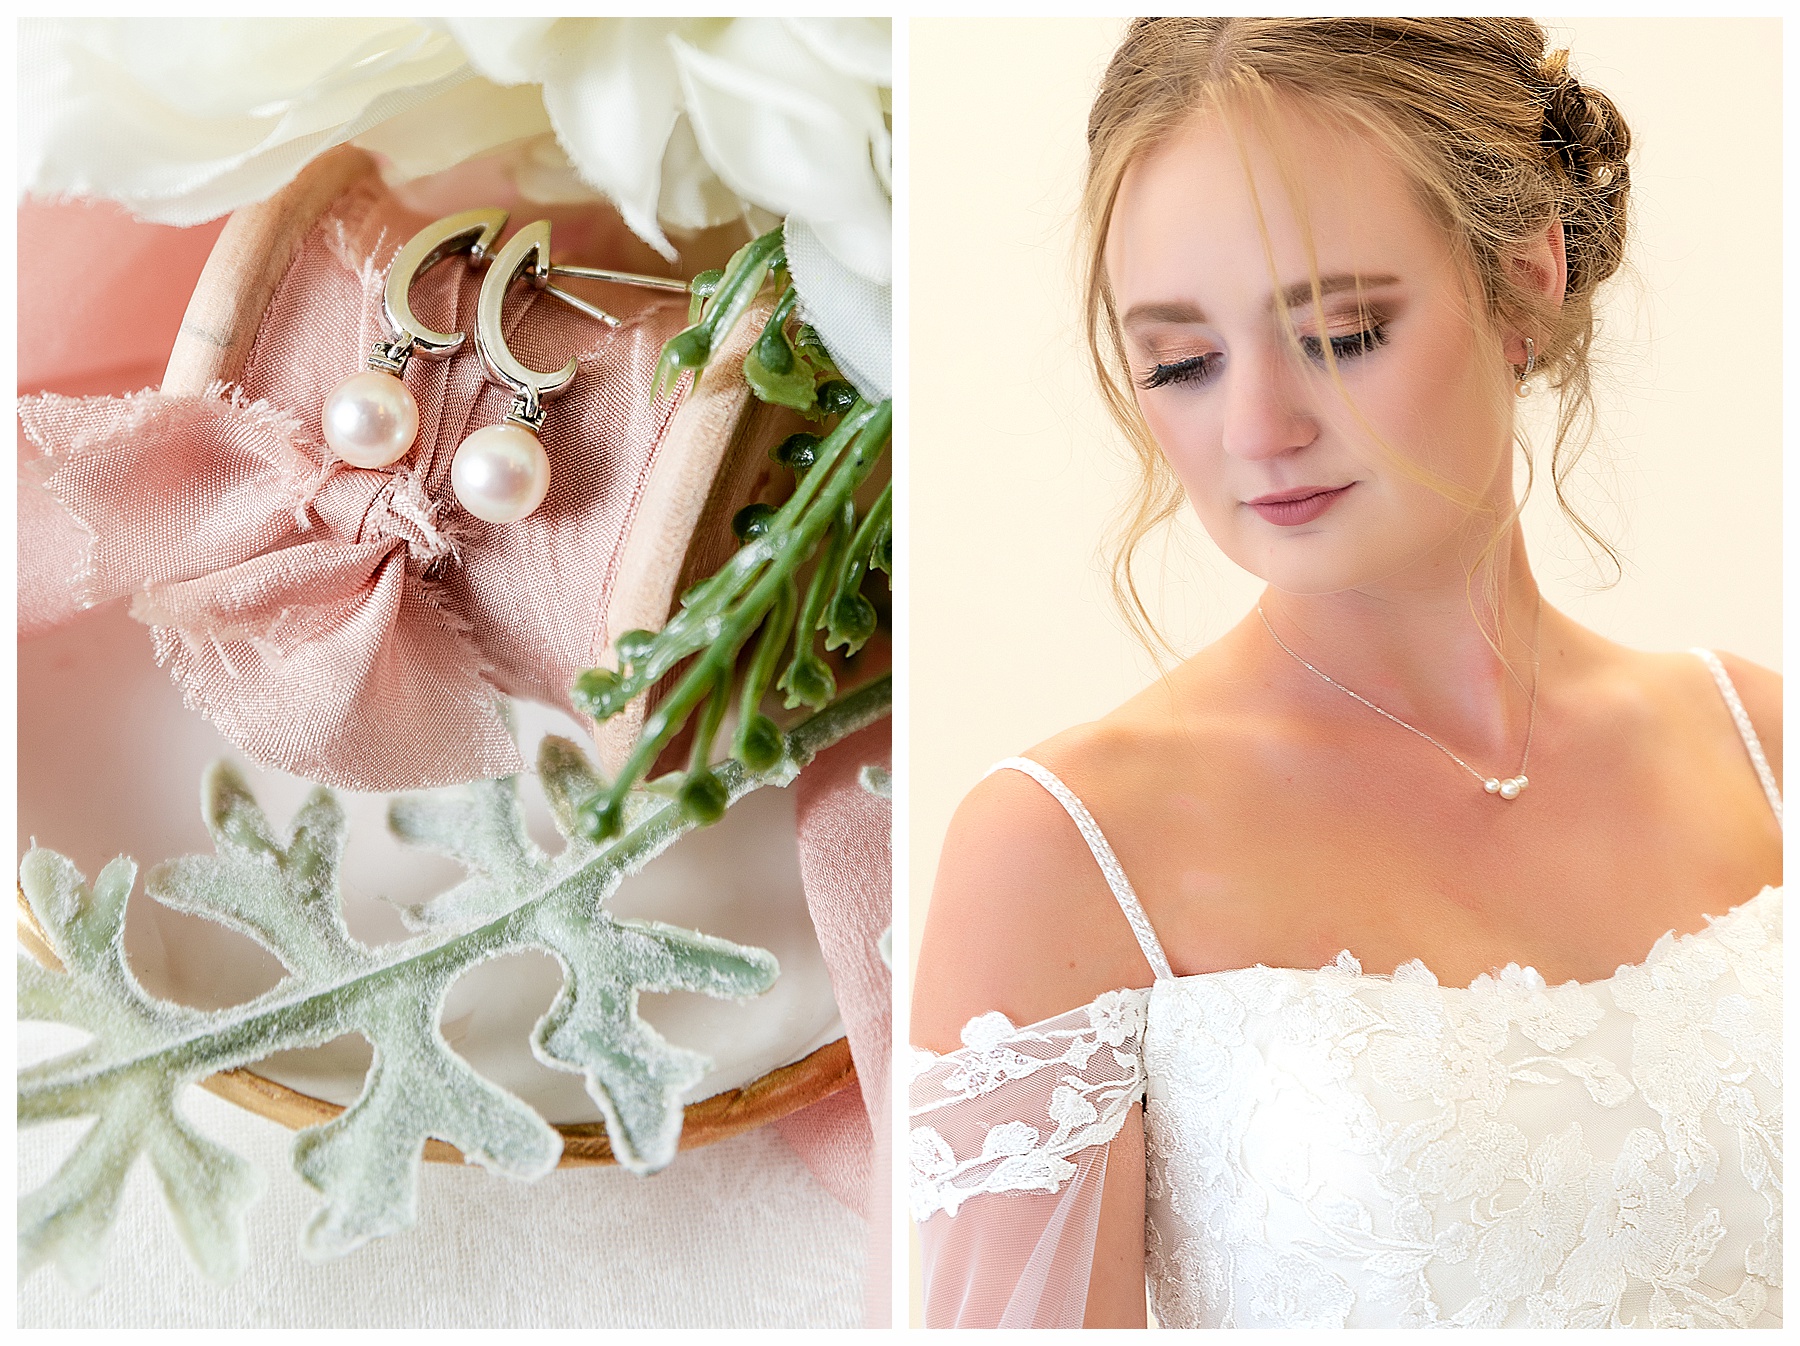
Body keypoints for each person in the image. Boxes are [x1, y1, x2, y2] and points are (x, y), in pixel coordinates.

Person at [910, 17, 1781, 1329]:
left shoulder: (1765, 748)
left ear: (1525, 275)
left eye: (1342, 331)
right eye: (1183, 363)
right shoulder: (1064, 853)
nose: (1257, 429)